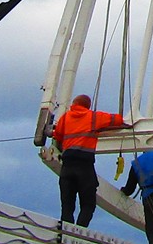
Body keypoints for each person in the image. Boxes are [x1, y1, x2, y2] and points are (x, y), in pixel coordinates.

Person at [50, 93, 126, 227]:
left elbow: (58, 136)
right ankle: (80, 229)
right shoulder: (93, 117)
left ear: (74, 104)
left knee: (67, 206)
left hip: (67, 166)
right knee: (88, 204)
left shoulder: (65, 118)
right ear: (88, 106)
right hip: (84, 166)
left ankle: (66, 231)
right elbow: (117, 119)